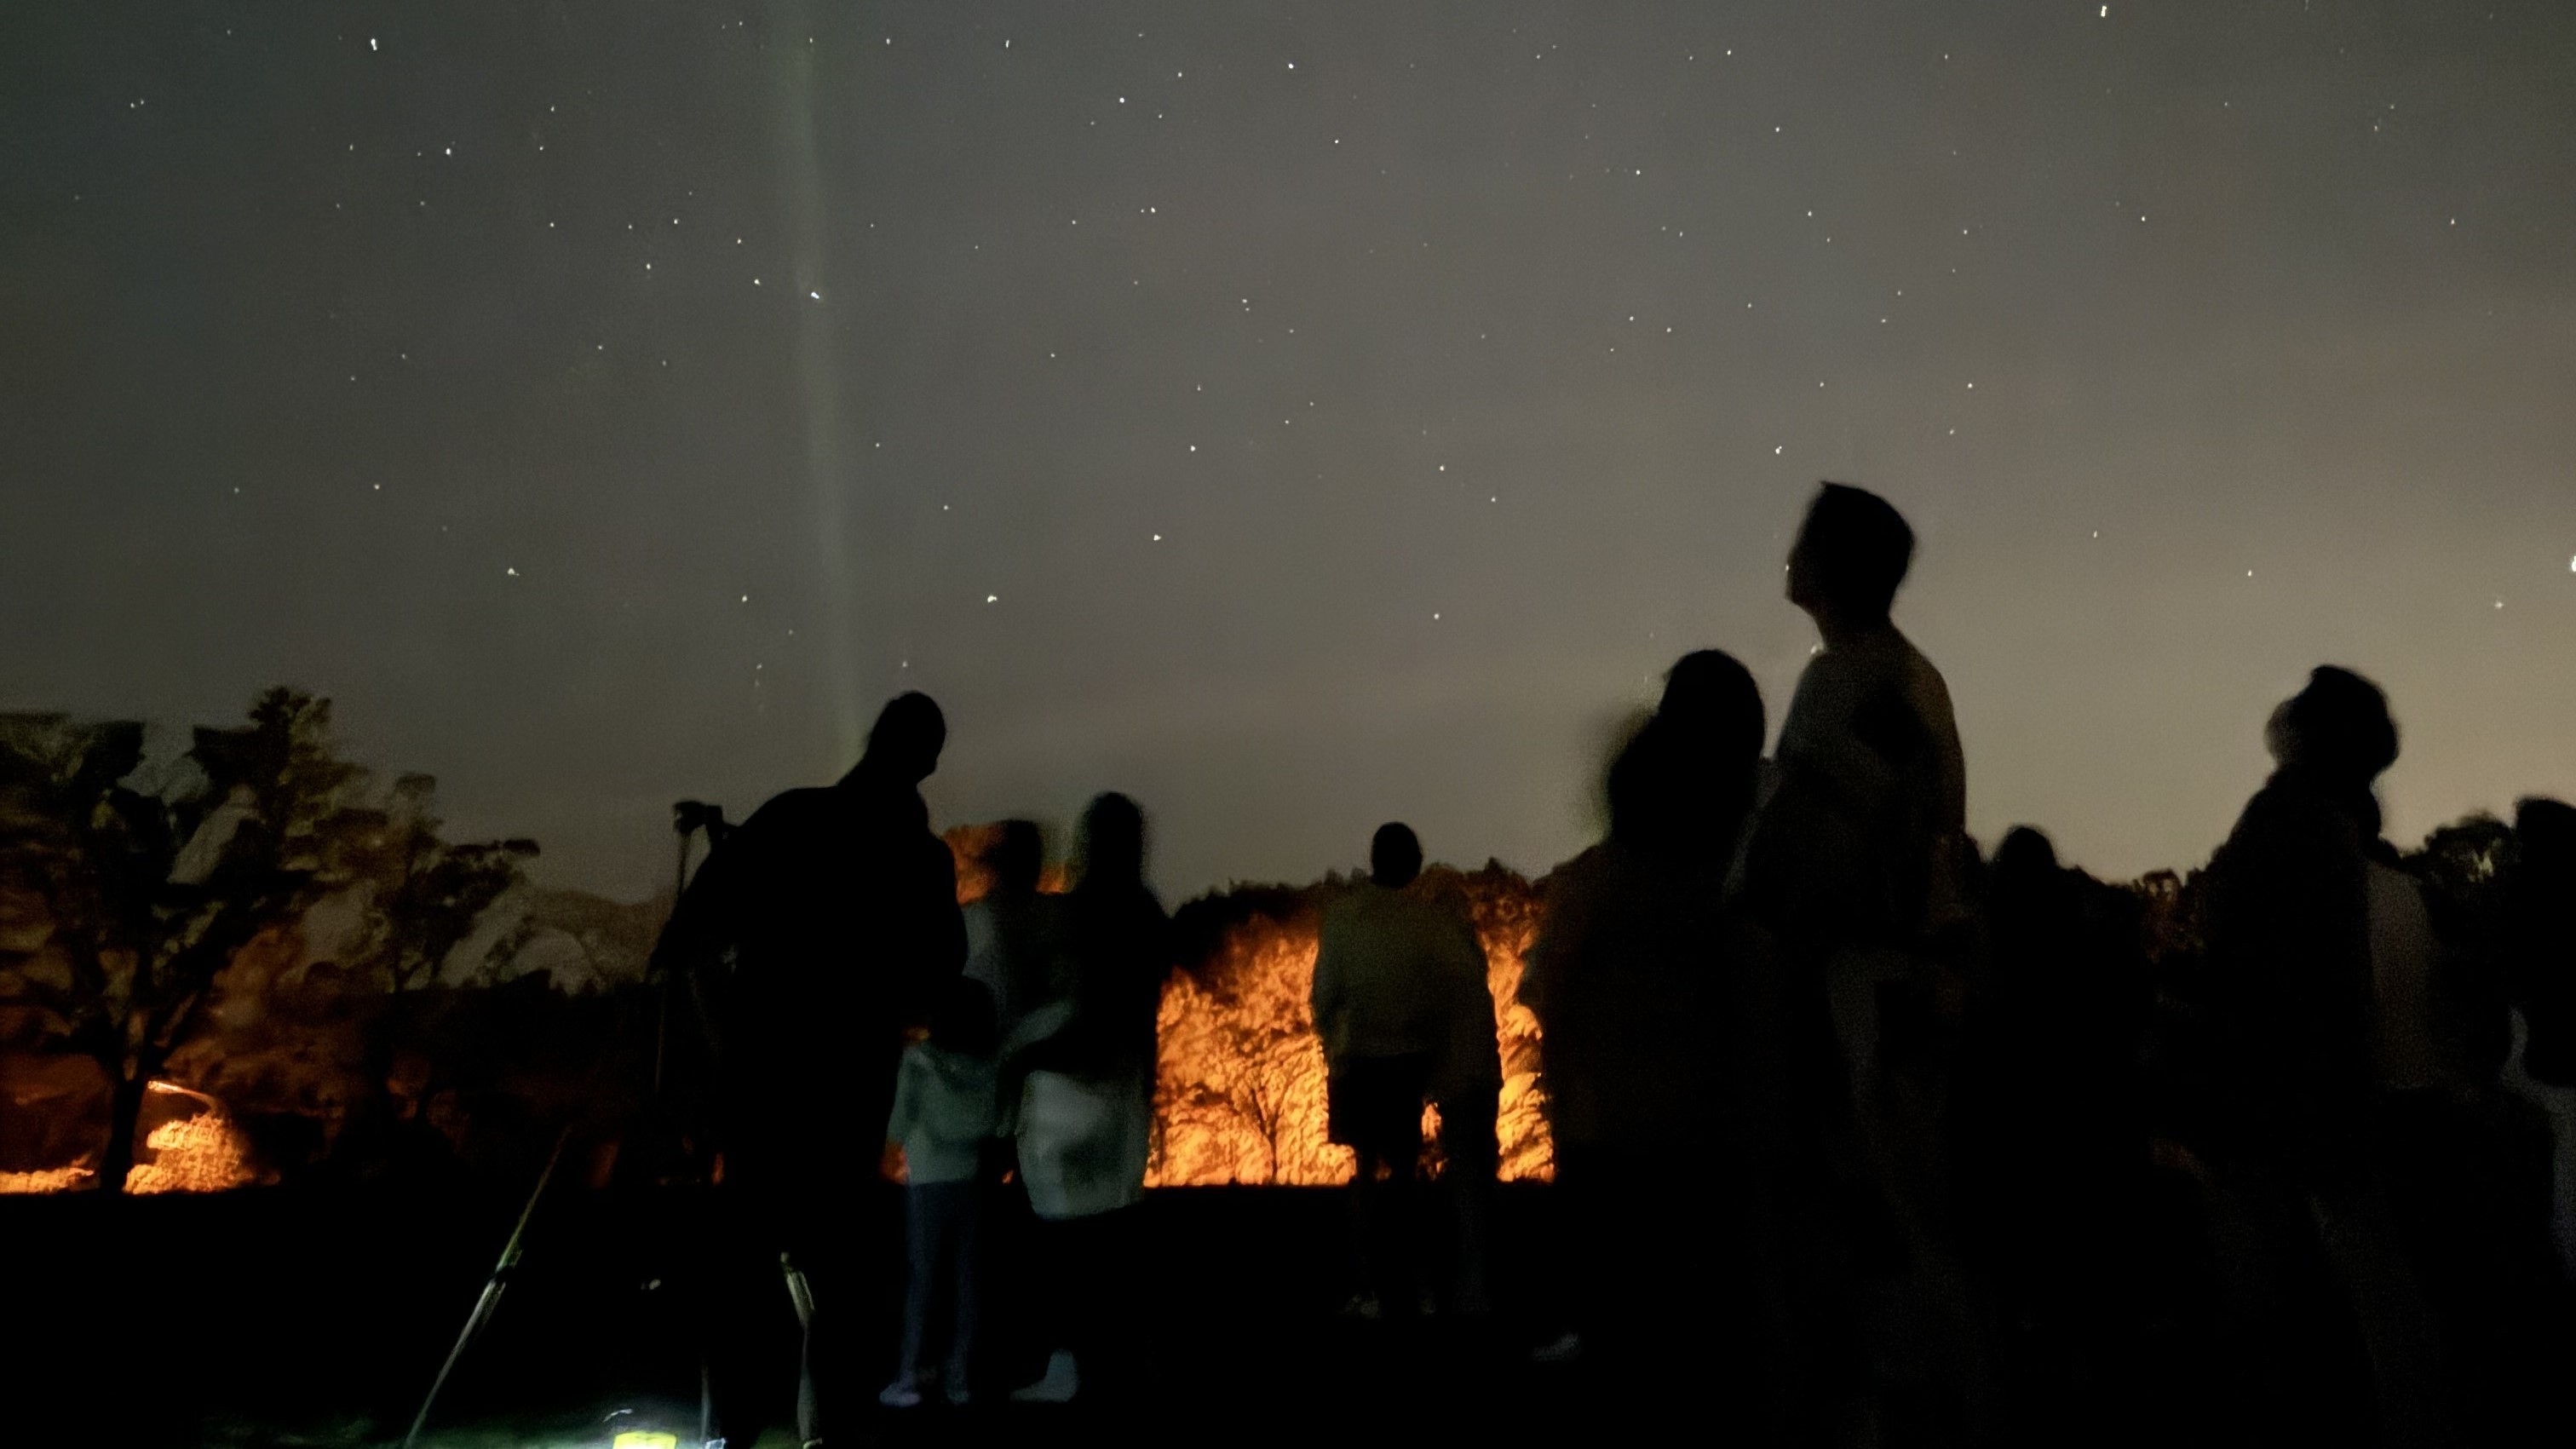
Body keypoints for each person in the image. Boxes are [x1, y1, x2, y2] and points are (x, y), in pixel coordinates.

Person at [653, 691, 967, 1447]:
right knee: (844, 1281)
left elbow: (693, 927)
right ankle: (830, 1425)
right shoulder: (919, 858)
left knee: (744, 1272)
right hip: (849, 1095)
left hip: (762, 1081)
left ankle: (734, 1427)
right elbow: (939, 972)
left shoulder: (791, 817)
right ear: (927, 762)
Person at [1737, 483, 1983, 1439]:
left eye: (1804, 540)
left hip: (1865, 984)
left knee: (1897, 1218)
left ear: (1832, 565)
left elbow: (1819, 829)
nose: (1788, 553)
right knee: (1905, 1217)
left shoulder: (1856, 681)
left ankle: (1929, 1404)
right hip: (1898, 976)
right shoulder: (1908, 679)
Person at [2194, 666, 2452, 1447]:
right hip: (2324, 1102)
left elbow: (2265, 969)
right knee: (2374, 1304)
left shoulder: (2288, 820)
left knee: (2303, 1310)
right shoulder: (2338, 830)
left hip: (2284, 1104)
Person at [1522, 650, 1783, 1413]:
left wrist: (1567, 1096)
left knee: (1627, 1340)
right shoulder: (1735, 883)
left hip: (1611, 1135)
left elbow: (1556, 995)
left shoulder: (1597, 884)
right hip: (1709, 1134)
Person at [1006, 792, 1170, 1403]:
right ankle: (1131, 1353)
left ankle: (1066, 1361)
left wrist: (1025, 1057)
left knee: (1062, 1240)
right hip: (1125, 1084)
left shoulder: (1070, 915)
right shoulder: (1147, 914)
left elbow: (1061, 1000)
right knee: (1119, 1236)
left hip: (1063, 1090)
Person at [1310, 821, 1487, 1320]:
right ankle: (1417, 1285)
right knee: (1407, 1178)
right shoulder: (1424, 922)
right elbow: (1456, 983)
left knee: (1365, 1175)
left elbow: (1324, 998)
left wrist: (1335, 1046)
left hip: (1359, 1061)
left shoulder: (1342, 918)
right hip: (1409, 1064)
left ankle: (1369, 1287)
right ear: (1412, 866)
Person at [881, 979, 1003, 1409]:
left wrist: (890, 1151)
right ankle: (959, 1378)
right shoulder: (990, 1061)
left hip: (928, 1181)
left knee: (922, 1282)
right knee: (969, 1282)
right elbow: (1001, 1122)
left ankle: (909, 1377)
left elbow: (897, 1123)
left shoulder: (917, 1061)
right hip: (972, 1179)